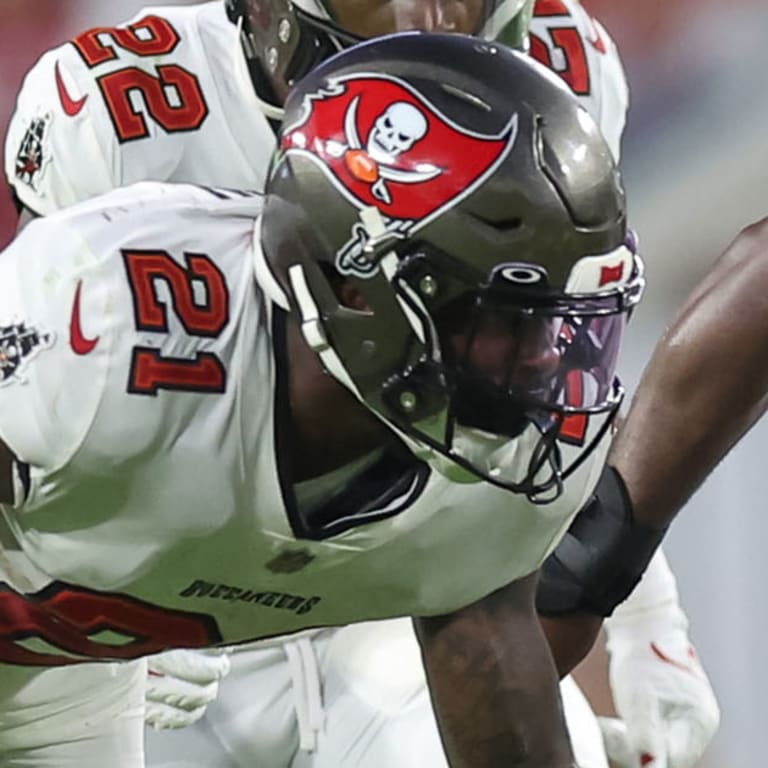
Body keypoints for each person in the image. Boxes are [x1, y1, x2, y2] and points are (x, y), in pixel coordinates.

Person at [1, 2, 719, 767]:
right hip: (98, 583)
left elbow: (531, 349)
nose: (430, 17)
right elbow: (67, 420)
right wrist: (129, 594)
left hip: (374, 571)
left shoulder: (560, 68)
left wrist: (646, 606)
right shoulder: (108, 309)